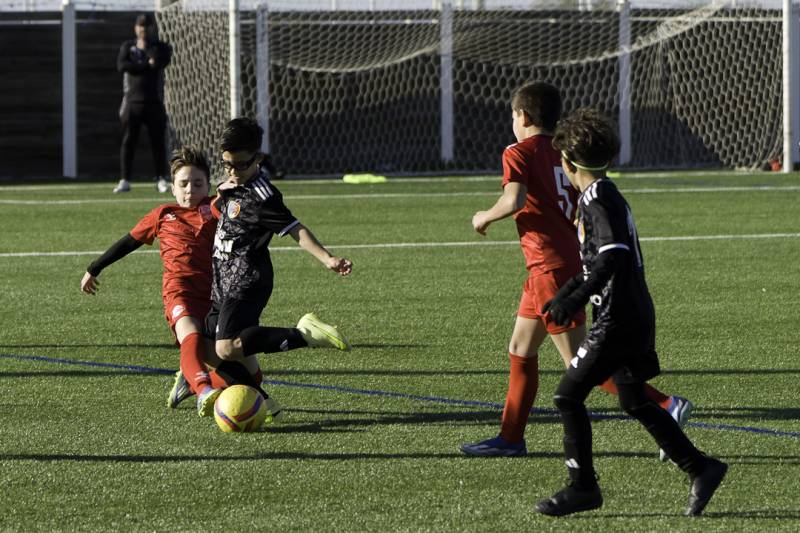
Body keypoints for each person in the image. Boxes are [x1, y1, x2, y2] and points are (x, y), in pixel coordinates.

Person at [461, 82, 691, 460]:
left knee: (581, 364)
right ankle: (510, 437)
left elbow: (514, 198)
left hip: (549, 267)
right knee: (520, 348)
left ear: (524, 117)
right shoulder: (562, 152)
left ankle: (666, 406)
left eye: (513, 116)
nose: (512, 122)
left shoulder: (518, 151)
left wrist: (483, 217)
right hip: (558, 263)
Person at [534, 108, 727, 517]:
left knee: (567, 397)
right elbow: (596, 263)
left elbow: (613, 257)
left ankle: (582, 487)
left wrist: (577, 298)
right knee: (635, 400)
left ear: (567, 164)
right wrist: (567, 292)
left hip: (619, 320)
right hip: (632, 314)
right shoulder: (602, 195)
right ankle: (701, 467)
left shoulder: (598, 199)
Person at [206, 117, 352, 376]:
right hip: (223, 279)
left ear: (258, 159)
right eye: (227, 164)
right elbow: (225, 211)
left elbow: (296, 228)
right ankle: (260, 400)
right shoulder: (231, 185)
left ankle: (304, 334)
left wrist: (327, 258)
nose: (232, 170)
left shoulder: (264, 197)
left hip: (247, 280)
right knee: (209, 342)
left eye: (241, 164)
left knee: (226, 349)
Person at [115, 13, 172, 194]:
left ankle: (161, 178)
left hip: (154, 102)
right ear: (135, 28)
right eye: (140, 26)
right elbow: (122, 66)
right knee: (128, 141)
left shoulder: (159, 46)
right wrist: (144, 64)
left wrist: (146, 57)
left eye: (146, 26)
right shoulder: (128, 46)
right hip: (132, 103)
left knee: (157, 141)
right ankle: (125, 179)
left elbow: (159, 61)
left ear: (152, 28)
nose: (143, 29)